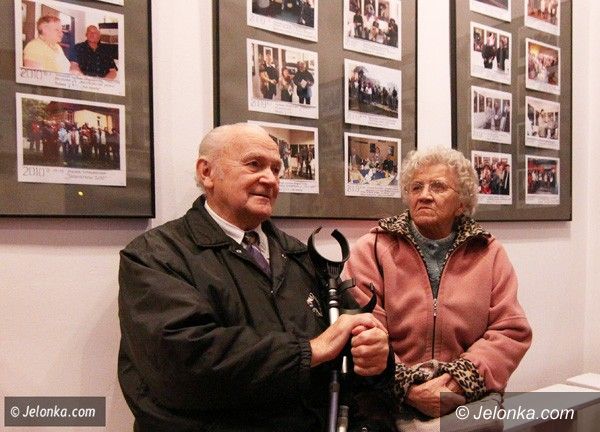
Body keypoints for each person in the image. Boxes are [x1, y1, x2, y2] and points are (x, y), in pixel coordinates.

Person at [117, 123, 392, 431]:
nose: (270, 179)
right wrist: (309, 351)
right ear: (206, 172)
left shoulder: (301, 256)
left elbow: (354, 332)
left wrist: (378, 356)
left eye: (276, 169)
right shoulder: (154, 256)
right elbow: (184, 362)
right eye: (254, 165)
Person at [343, 148, 532, 426]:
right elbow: (362, 332)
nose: (424, 195)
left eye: (438, 186)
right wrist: (408, 388)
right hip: (390, 404)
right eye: (416, 187)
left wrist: (457, 382)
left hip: (467, 400)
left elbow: (510, 331)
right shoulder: (372, 249)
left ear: (462, 203)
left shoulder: (489, 253)